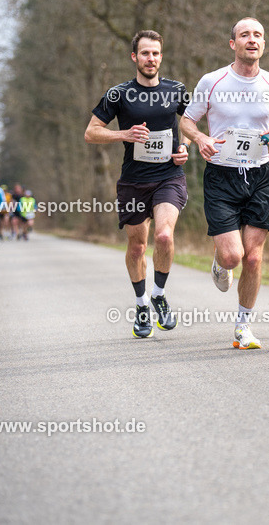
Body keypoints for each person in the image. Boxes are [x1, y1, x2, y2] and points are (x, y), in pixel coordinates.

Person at [180, 17, 269, 350]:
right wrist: (200, 138)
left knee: (254, 258)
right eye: (245, 35)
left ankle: (243, 326)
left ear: (264, 44)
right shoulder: (212, 81)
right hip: (221, 175)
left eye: (258, 35)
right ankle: (220, 260)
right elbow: (187, 120)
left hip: (259, 175)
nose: (252, 40)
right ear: (233, 44)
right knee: (233, 258)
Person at [85, 30, 190, 339]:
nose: (150, 59)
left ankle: (158, 294)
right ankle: (142, 305)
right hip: (133, 181)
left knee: (164, 236)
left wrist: (184, 147)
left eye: (155, 53)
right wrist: (124, 134)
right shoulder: (119, 94)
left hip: (169, 177)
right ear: (135, 57)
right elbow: (91, 132)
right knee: (137, 246)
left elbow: (189, 123)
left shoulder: (176, 90)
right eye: (145, 53)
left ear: (161, 56)